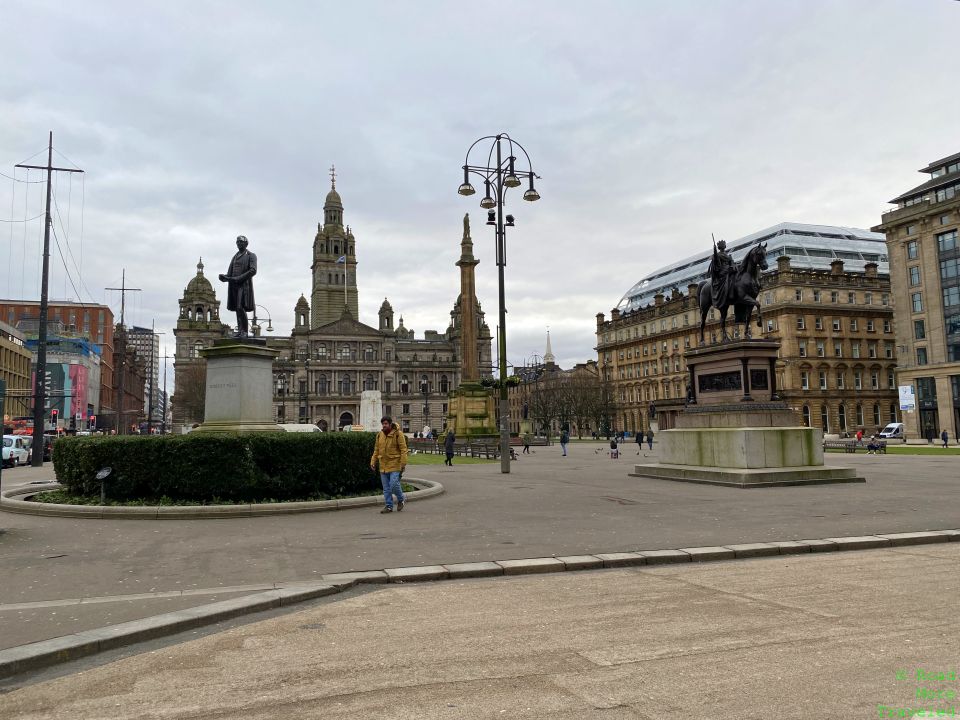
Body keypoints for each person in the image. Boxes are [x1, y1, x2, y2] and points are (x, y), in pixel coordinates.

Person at [218, 235, 257, 338]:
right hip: (233, 286)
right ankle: (240, 330)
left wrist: (239, 278)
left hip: (244, 285)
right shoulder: (234, 257)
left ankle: (244, 331)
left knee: (240, 307)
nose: (238, 244)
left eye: (241, 242)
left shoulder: (251, 255)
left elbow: (253, 270)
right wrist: (224, 277)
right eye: (237, 242)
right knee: (237, 308)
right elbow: (230, 273)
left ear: (246, 243)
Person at [370, 416, 408, 513]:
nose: (384, 425)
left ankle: (401, 499)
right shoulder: (379, 435)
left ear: (390, 424)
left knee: (393, 484)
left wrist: (403, 463)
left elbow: (403, 449)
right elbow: (376, 450)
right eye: (383, 424)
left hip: (395, 464)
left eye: (386, 424)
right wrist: (373, 461)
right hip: (383, 465)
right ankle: (389, 506)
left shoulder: (398, 434)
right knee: (386, 489)